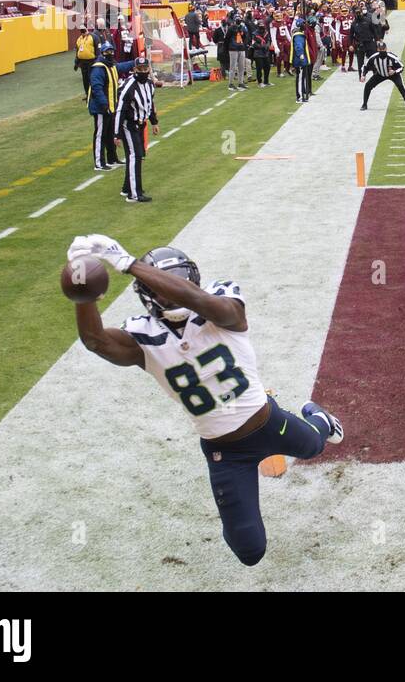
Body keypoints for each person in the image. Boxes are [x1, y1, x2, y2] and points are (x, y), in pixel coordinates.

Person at [66, 236, 343, 565]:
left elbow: (208, 305)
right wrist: (83, 291)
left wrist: (130, 264)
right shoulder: (141, 335)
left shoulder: (221, 299)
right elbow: (95, 341)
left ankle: (320, 420)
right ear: (147, 293)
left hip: (269, 422)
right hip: (225, 452)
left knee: (314, 446)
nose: (174, 289)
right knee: (250, 551)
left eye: (181, 281)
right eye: (166, 284)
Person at [114, 56, 159, 203]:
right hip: (129, 125)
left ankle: (127, 187)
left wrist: (154, 122)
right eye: (140, 69)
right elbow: (119, 111)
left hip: (141, 124)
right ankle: (133, 194)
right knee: (135, 156)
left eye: (146, 69)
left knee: (137, 156)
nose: (143, 72)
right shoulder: (128, 87)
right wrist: (117, 134)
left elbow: (150, 104)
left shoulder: (150, 84)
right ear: (134, 70)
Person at [88, 43, 124, 170]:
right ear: (102, 53)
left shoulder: (110, 65)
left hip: (110, 106)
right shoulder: (98, 68)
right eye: (108, 52)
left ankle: (112, 159)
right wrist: (105, 105)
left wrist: (135, 62)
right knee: (100, 135)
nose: (110, 54)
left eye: (111, 51)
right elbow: (97, 89)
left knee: (109, 134)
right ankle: (99, 163)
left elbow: (121, 66)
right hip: (101, 108)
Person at [361, 42, 405, 111]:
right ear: (377, 49)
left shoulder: (392, 57)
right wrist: (363, 75)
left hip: (394, 75)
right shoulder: (374, 57)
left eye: (383, 49)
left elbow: (401, 67)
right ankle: (364, 104)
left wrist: (394, 71)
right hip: (380, 74)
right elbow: (365, 66)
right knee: (368, 85)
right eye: (380, 49)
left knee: (401, 86)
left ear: (386, 48)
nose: (382, 51)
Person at [292, 21, 315, 102]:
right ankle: (300, 97)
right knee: (300, 78)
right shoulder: (298, 36)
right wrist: (301, 55)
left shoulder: (301, 34)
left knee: (303, 78)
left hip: (303, 60)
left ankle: (303, 94)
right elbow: (299, 46)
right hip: (300, 60)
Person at [226, 14, 249, 90]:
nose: (238, 21)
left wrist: (244, 45)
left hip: (241, 48)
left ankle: (240, 82)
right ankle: (230, 83)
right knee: (233, 67)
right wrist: (228, 48)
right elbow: (227, 39)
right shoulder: (231, 28)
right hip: (233, 48)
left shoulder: (243, 28)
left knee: (241, 67)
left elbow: (245, 37)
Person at [74, 24, 97, 99]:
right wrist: (76, 63)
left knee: (91, 78)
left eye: (84, 30)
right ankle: (87, 94)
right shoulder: (79, 39)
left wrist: (97, 61)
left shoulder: (93, 37)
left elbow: (98, 50)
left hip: (91, 61)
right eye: (81, 31)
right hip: (83, 62)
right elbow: (78, 52)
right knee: (85, 79)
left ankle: (93, 93)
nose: (83, 32)